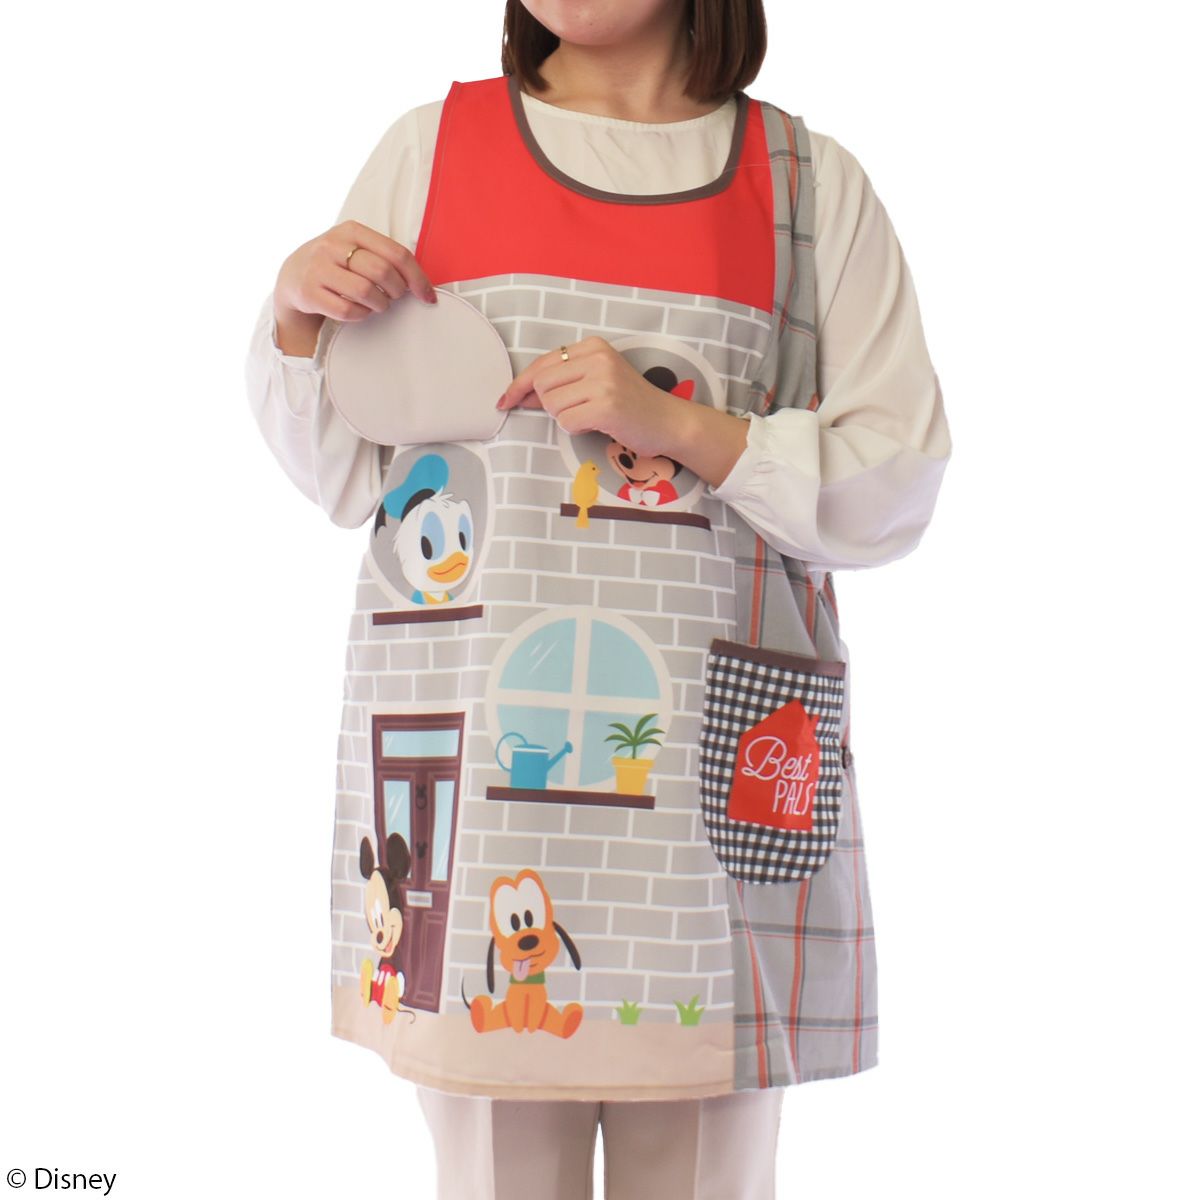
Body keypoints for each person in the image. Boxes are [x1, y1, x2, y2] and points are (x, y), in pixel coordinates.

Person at [244, 1, 951, 1196]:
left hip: (707, 818)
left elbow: (895, 481)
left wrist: (676, 423)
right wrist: (296, 320)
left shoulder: (805, 185)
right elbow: (346, 472)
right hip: (481, 813)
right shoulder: (432, 151)